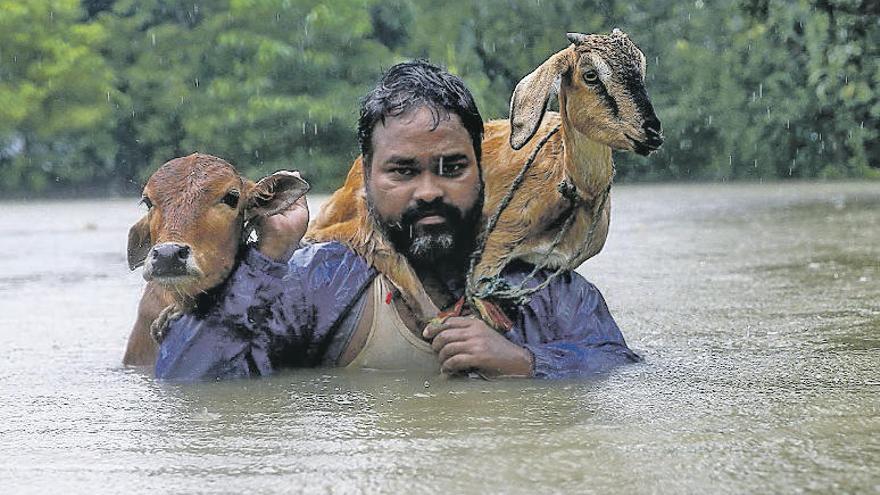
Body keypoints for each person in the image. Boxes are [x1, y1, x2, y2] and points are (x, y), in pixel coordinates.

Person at [155, 61, 640, 380]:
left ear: (482, 170)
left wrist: (526, 362)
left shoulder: (545, 289)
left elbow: (624, 370)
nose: (429, 190)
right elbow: (191, 383)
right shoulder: (319, 281)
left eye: (452, 168)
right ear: (367, 178)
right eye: (403, 170)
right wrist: (267, 258)